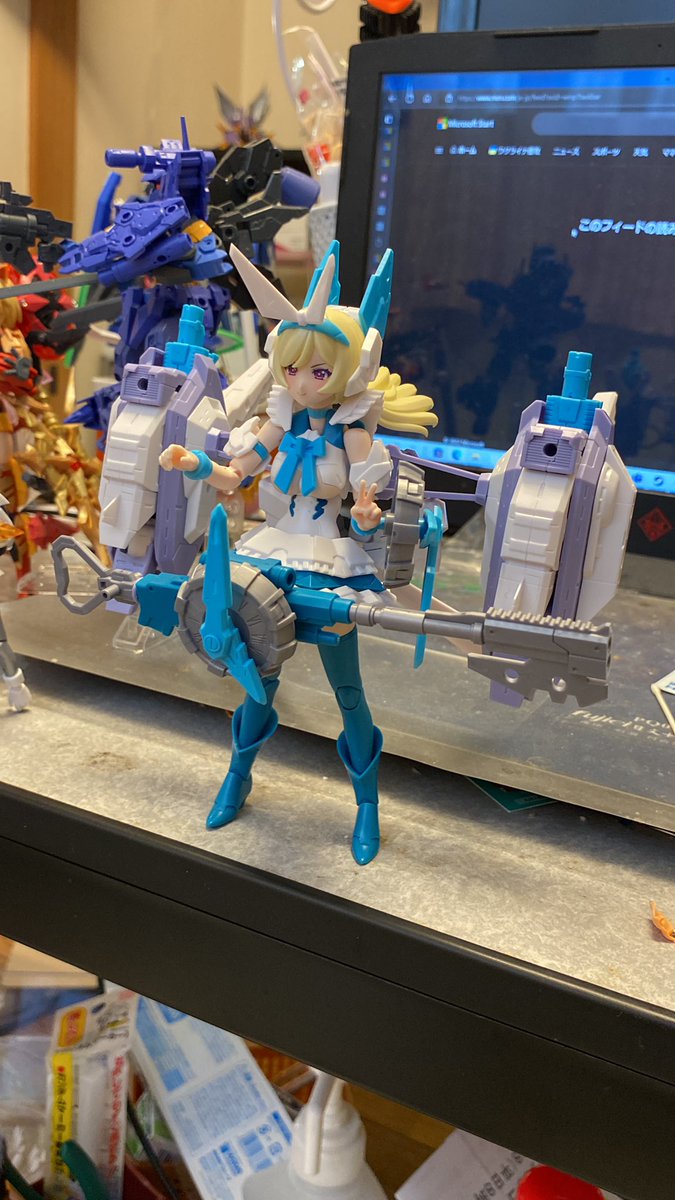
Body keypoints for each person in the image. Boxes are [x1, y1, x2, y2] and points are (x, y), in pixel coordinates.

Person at [159, 242, 436, 864]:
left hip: (329, 563)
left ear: (349, 369)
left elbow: (368, 502)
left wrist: (367, 516)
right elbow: (234, 475)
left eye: (317, 372)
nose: (300, 383)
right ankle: (238, 777)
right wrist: (194, 462)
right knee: (256, 676)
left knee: (348, 693)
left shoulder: (354, 430)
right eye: (291, 369)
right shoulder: (279, 420)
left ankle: (366, 804)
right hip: (271, 554)